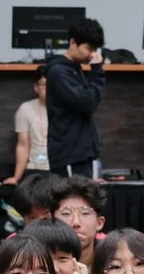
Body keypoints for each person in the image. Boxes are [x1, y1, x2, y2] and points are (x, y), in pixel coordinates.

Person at [43, 15, 107, 178]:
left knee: (84, 194)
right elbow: (88, 103)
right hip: (69, 154)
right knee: (73, 195)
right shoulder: (59, 72)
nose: (92, 54)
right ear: (73, 43)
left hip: (80, 153)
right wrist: (97, 71)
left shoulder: (74, 69)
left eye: (95, 49)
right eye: (89, 48)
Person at [5, 73, 50, 186]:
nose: (49, 88)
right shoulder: (26, 109)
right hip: (34, 167)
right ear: (36, 87)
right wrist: (16, 177)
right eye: (44, 84)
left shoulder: (67, 109)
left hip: (59, 168)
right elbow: (23, 145)